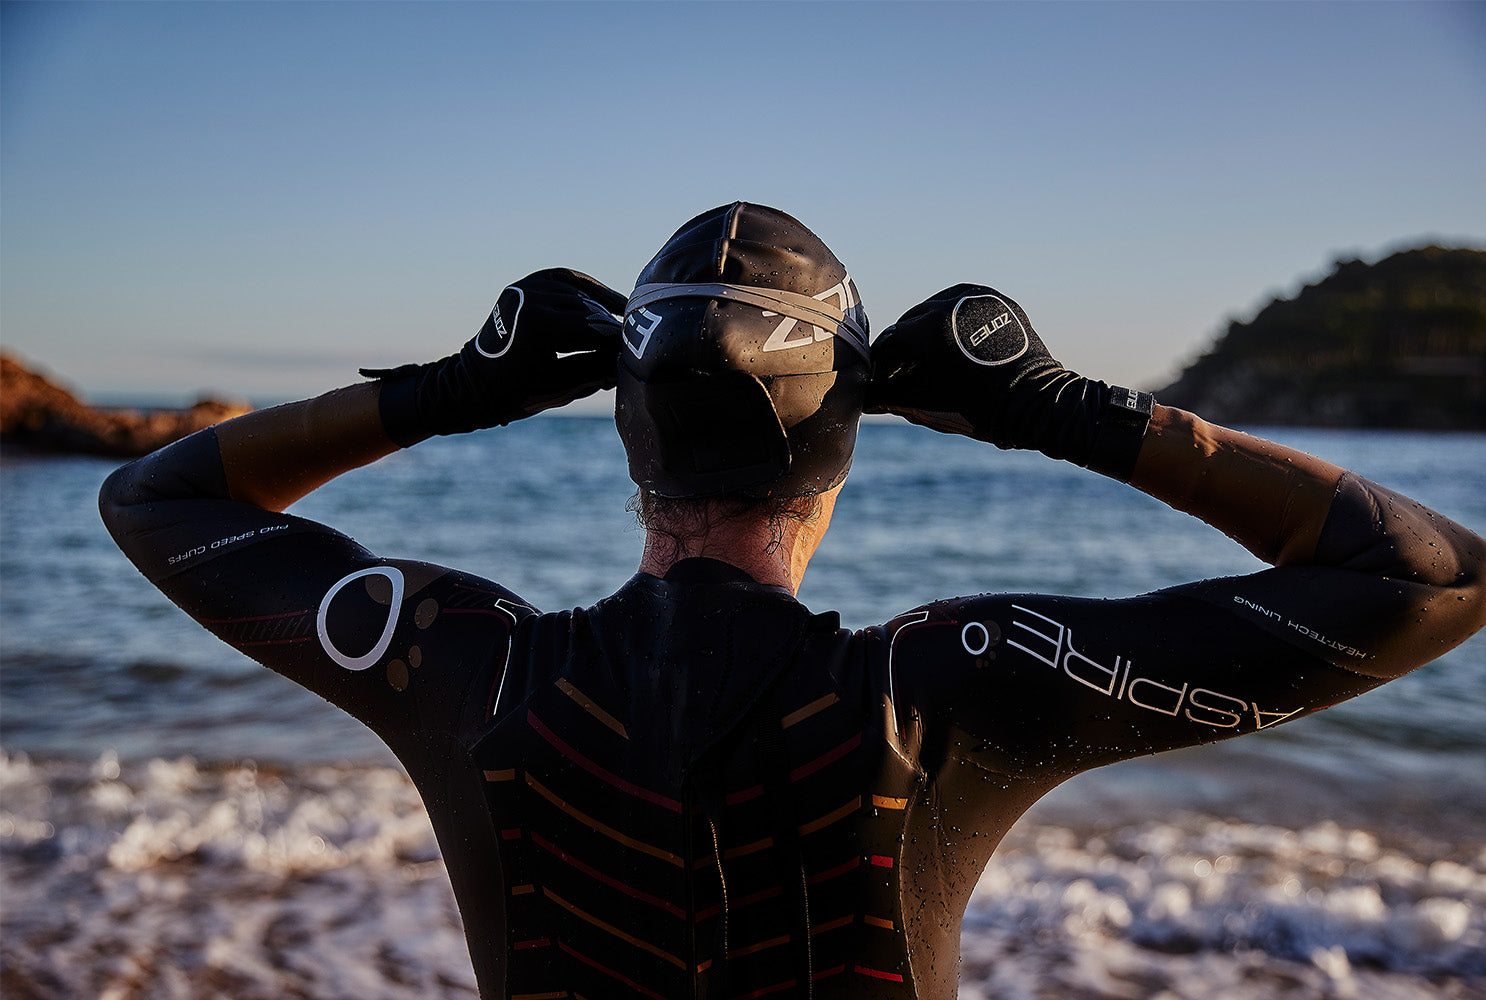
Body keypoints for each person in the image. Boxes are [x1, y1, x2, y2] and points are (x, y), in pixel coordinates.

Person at [100, 203, 1486, 1000]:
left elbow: (158, 501)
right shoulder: (945, 691)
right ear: (846, 437)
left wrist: (446, 390)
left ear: (626, 434)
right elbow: (1433, 577)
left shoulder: (471, 670)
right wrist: (1069, 414)